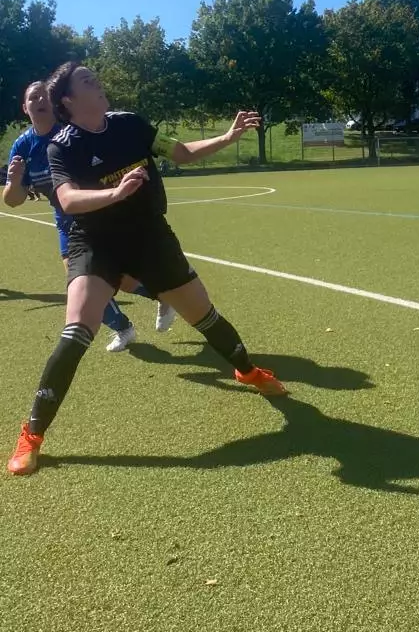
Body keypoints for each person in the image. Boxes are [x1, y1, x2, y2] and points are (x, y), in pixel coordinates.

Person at [7, 63, 287, 476]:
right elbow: (67, 199)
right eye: (86, 80)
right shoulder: (61, 145)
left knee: (204, 315)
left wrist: (228, 137)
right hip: (95, 243)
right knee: (76, 331)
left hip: (150, 239)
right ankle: (32, 434)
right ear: (67, 100)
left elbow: (181, 151)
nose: (97, 82)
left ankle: (247, 372)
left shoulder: (131, 124)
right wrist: (115, 193)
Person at [3, 80, 174, 352]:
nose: (40, 100)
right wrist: (14, 182)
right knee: (78, 286)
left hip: (100, 216)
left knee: (124, 280)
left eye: (45, 95)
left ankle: (165, 293)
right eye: (33, 97)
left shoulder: (72, 132)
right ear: (25, 108)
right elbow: (13, 201)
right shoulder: (23, 147)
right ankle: (124, 328)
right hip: (66, 221)